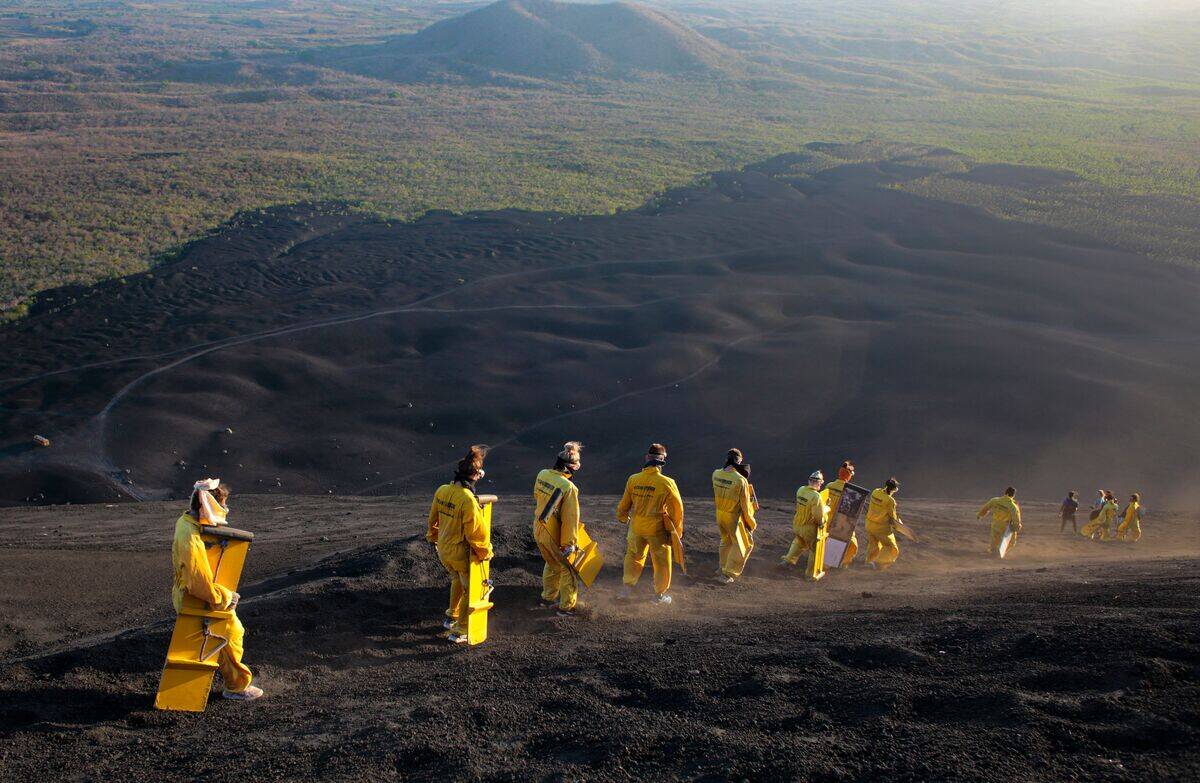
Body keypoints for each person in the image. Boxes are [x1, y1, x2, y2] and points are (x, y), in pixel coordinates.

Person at [171, 479, 263, 701]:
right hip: (197, 598)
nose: (225, 508)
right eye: (222, 504)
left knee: (223, 634)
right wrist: (225, 597)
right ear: (210, 504)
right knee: (230, 634)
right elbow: (198, 581)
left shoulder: (186, 522)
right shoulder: (190, 538)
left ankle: (230, 682)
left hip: (186, 593)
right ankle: (237, 687)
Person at [427, 445, 493, 643]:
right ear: (475, 475)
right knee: (470, 589)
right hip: (459, 552)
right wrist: (485, 552)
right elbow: (476, 533)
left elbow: (433, 520)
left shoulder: (442, 490)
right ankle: (461, 630)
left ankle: (451, 616)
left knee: (456, 579)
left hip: (443, 549)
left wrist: (433, 537)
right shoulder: (468, 500)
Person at [617, 443, 684, 604]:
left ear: (647, 458)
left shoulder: (633, 479)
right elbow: (677, 509)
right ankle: (659, 595)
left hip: (636, 527)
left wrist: (622, 517)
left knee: (633, 556)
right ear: (663, 461)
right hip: (656, 530)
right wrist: (676, 532)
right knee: (661, 562)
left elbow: (624, 504)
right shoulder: (667, 482)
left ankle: (627, 589)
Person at [533, 442, 584, 615]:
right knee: (567, 569)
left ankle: (548, 597)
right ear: (572, 467)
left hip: (539, 527)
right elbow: (570, 518)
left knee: (551, 563)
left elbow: (536, 494)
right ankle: (567, 607)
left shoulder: (542, 474)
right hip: (554, 532)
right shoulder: (569, 487)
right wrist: (570, 544)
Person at [712, 448, 757, 583]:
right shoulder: (740, 480)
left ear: (727, 459)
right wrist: (751, 523)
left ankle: (721, 568)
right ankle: (728, 573)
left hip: (720, 514)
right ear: (739, 461)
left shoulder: (715, 474)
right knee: (744, 544)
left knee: (726, 541)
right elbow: (745, 506)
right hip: (733, 517)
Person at [780, 471, 828, 574]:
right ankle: (810, 574)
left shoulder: (801, 490)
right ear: (819, 482)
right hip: (808, 529)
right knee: (815, 549)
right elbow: (818, 515)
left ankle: (787, 561)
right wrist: (822, 522)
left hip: (797, 524)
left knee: (799, 542)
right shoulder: (816, 496)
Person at [823, 460, 860, 566]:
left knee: (827, 542)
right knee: (852, 544)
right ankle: (843, 563)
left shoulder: (829, 485)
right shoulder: (850, 491)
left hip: (826, 520)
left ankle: (825, 563)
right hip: (840, 523)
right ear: (849, 476)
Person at [865, 478, 903, 570]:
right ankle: (878, 563)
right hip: (880, 528)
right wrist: (899, 524)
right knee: (891, 547)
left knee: (873, 545)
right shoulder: (890, 501)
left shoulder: (875, 492)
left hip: (869, 525)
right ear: (895, 489)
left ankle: (869, 562)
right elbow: (892, 518)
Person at [977, 487, 1022, 557]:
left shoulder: (994, 500)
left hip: (995, 525)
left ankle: (992, 552)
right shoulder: (1013, 506)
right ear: (1013, 495)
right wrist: (1016, 527)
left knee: (994, 541)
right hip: (1005, 527)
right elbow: (1016, 517)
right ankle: (999, 553)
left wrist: (979, 515)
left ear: (1005, 492)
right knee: (1011, 542)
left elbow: (986, 508)